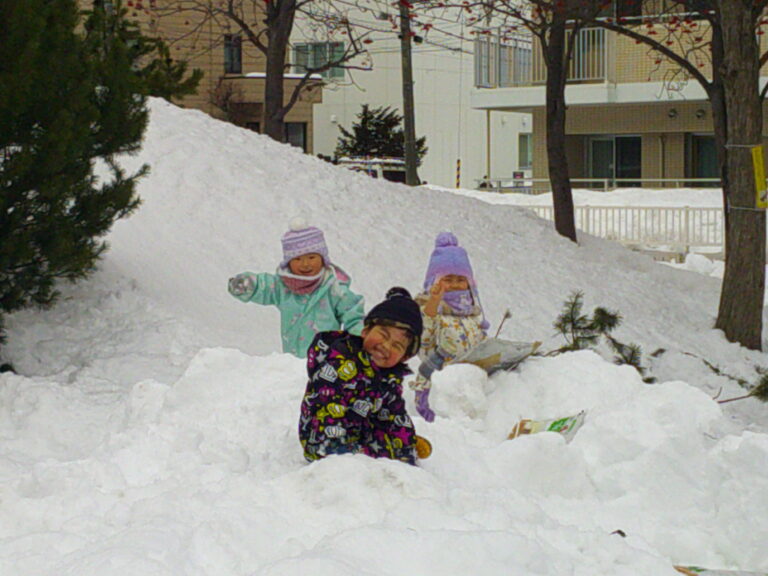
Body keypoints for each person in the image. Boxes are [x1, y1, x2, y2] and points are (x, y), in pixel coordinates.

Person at [298, 287, 427, 465]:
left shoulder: (388, 377)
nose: (386, 346)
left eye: (397, 346)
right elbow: (325, 408)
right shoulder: (339, 365)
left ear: (404, 357)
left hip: (360, 432)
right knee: (364, 460)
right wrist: (339, 447)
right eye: (383, 334)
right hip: (323, 436)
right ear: (365, 330)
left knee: (398, 453)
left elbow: (392, 413)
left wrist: (405, 443)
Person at [228, 218, 365, 358]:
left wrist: (357, 339)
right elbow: (265, 287)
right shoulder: (283, 287)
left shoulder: (334, 289)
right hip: (293, 359)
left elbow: (353, 315)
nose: (305, 264)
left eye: (312, 257)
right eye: (297, 259)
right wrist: (249, 284)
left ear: (323, 259)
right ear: (289, 263)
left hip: (326, 360)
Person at [411, 232, 488, 422]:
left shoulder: (471, 313)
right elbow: (424, 339)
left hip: (467, 387)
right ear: (435, 282)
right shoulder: (428, 310)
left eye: (460, 279)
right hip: (437, 390)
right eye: (448, 279)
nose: (454, 285)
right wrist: (434, 301)